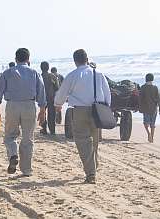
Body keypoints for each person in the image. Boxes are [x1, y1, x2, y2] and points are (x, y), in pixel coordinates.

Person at [54, 49, 111, 184]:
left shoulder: (73, 75)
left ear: (75, 61)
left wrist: (58, 104)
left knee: (82, 141)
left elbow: (62, 92)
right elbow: (107, 93)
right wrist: (106, 108)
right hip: (97, 110)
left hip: (79, 110)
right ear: (87, 59)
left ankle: (91, 172)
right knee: (94, 140)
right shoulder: (98, 74)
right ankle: (94, 166)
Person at [0, 48, 46, 177]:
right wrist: (42, 110)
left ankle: (13, 154)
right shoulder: (34, 73)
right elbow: (41, 92)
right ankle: (26, 170)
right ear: (28, 59)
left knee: (10, 136)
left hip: (12, 106)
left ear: (15, 59)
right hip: (29, 105)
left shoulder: (7, 73)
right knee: (28, 138)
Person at [140, 73, 160, 143]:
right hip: (154, 109)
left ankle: (149, 134)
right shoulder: (155, 88)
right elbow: (159, 98)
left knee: (145, 123)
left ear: (146, 79)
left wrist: (140, 107)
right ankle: (152, 138)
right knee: (152, 124)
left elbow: (140, 98)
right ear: (152, 79)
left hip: (146, 108)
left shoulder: (143, 87)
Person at [40, 61, 59, 135]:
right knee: (51, 114)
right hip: (51, 98)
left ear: (41, 68)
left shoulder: (39, 76)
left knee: (42, 114)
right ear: (48, 68)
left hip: (42, 98)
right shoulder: (52, 76)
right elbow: (57, 87)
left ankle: (44, 129)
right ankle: (52, 130)